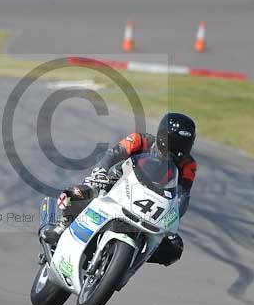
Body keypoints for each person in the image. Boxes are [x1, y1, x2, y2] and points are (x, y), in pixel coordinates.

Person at [41, 112, 196, 267]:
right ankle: (63, 224)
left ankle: (130, 258)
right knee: (74, 194)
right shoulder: (140, 140)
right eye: (176, 142)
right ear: (163, 136)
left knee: (175, 247)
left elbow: (183, 195)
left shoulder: (188, 164)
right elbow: (113, 154)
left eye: (185, 144)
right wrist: (101, 171)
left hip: (153, 203)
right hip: (118, 183)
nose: (180, 149)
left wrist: (174, 217)